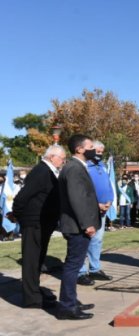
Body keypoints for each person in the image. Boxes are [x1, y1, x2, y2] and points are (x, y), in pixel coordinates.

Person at [11, 145, 65, 309]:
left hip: (43, 222)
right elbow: (22, 197)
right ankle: (31, 298)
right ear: (51, 157)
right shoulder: (41, 171)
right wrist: (20, 216)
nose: (63, 162)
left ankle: (35, 291)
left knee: (38, 260)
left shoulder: (48, 171)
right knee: (31, 260)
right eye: (61, 159)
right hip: (34, 222)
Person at [56, 134, 99, 320]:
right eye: (90, 146)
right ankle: (67, 307)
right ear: (79, 149)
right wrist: (87, 224)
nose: (94, 149)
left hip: (78, 225)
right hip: (77, 226)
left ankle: (72, 302)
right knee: (73, 266)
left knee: (74, 265)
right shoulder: (74, 168)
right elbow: (77, 199)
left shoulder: (77, 166)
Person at [77, 141, 114, 286]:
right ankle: (80, 272)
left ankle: (94, 269)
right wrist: (96, 204)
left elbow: (108, 185)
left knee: (97, 240)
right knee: (84, 240)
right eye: (97, 151)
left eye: (101, 152)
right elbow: (83, 191)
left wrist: (109, 201)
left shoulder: (102, 166)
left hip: (104, 209)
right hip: (90, 209)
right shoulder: (85, 167)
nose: (99, 154)